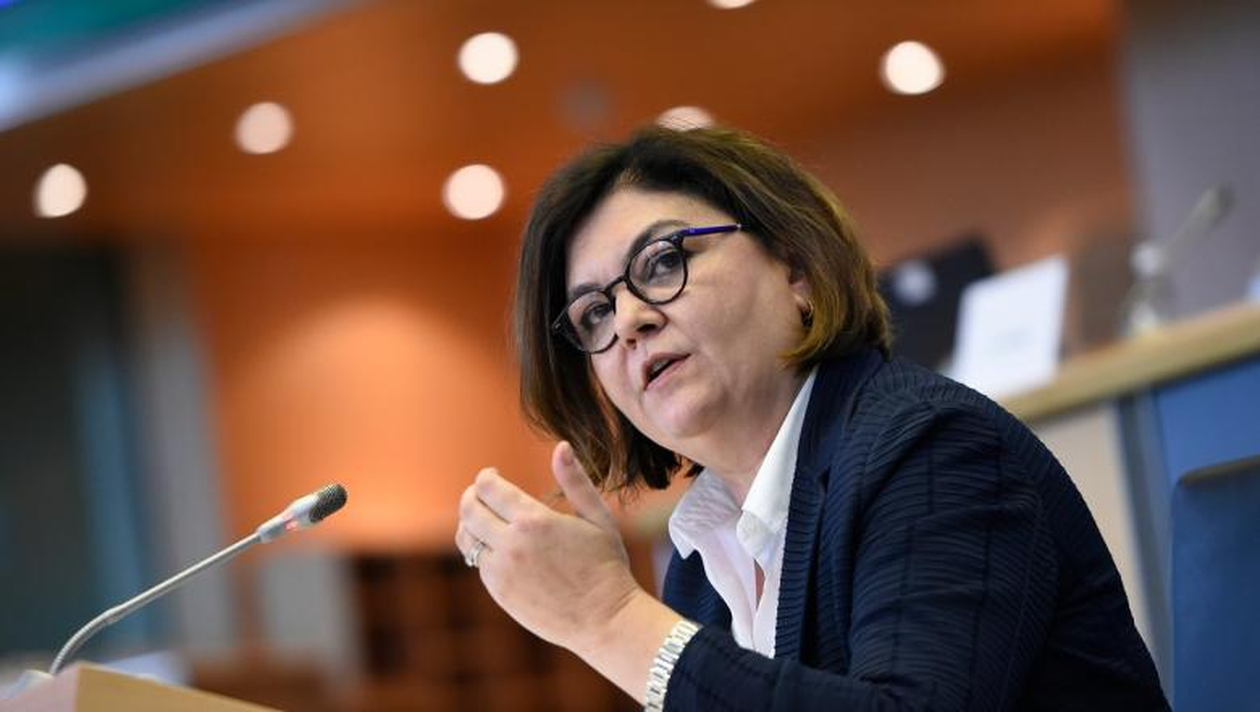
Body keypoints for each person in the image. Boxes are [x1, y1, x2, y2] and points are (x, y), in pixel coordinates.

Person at [455, 125, 1168, 710]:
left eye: (663, 261)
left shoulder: (930, 450)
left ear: (794, 269)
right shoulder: (702, 565)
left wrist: (610, 619)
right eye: (594, 314)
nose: (630, 321)